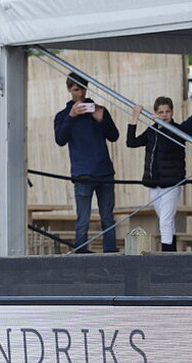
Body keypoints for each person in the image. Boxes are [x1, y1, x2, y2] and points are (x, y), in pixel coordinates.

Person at [54, 74, 120, 253]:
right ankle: (81, 260)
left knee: (107, 218)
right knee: (83, 220)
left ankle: (111, 258)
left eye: (83, 88)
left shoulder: (99, 110)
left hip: (104, 172)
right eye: (76, 89)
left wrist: (102, 120)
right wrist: (71, 116)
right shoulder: (62, 115)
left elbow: (114, 136)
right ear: (69, 89)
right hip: (82, 174)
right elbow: (60, 139)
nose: (81, 93)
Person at [127, 98, 191, 251]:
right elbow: (131, 142)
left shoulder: (177, 130)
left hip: (171, 183)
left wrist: (163, 127)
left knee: (165, 222)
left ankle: (166, 258)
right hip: (154, 182)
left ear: (172, 112)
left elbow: (167, 146)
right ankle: (172, 253)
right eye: (161, 112)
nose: (164, 115)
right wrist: (135, 117)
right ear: (155, 113)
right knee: (167, 222)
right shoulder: (152, 130)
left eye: (167, 111)